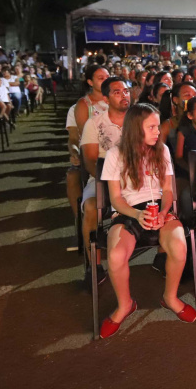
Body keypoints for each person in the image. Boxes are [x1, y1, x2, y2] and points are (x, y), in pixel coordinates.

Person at [99, 104, 194, 338]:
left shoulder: (161, 150)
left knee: (180, 247)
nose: (157, 131)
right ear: (135, 129)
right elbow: (116, 199)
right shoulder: (115, 154)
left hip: (159, 209)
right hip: (128, 212)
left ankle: (170, 298)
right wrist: (136, 214)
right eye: (151, 127)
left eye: (157, 126)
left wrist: (163, 213)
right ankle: (125, 304)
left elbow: (168, 191)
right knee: (115, 256)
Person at [79, 77, 131, 284]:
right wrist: (112, 184)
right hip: (101, 180)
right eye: (117, 92)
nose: (124, 95)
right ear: (106, 98)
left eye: (126, 91)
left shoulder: (139, 120)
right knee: (92, 207)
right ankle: (95, 264)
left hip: (135, 180)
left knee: (164, 201)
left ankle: (162, 255)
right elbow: (91, 160)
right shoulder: (94, 123)